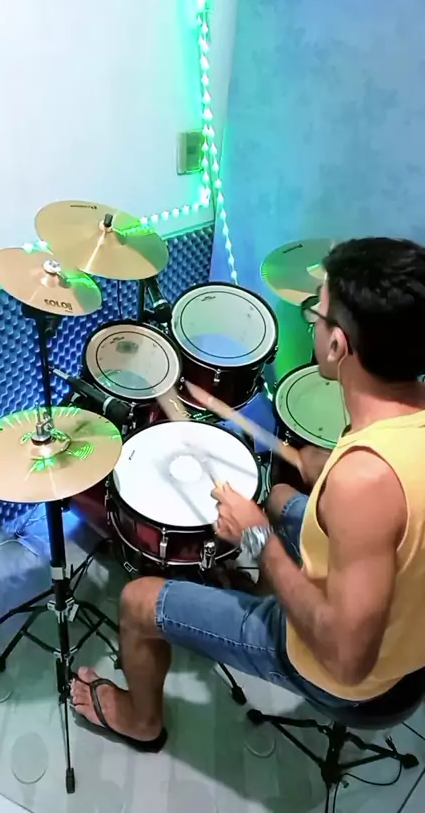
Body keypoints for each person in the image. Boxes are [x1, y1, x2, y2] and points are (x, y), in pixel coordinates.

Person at [71, 237, 425, 751]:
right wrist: (323, 465)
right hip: (408, 634)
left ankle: (141, 720)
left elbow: (346, 659)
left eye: (316, 313)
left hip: (349, 678)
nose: (312, 321)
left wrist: (259, 541)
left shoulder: (363, 480)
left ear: (337, 346)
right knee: (278, 495)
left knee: (137, 599)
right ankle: (257, 586)